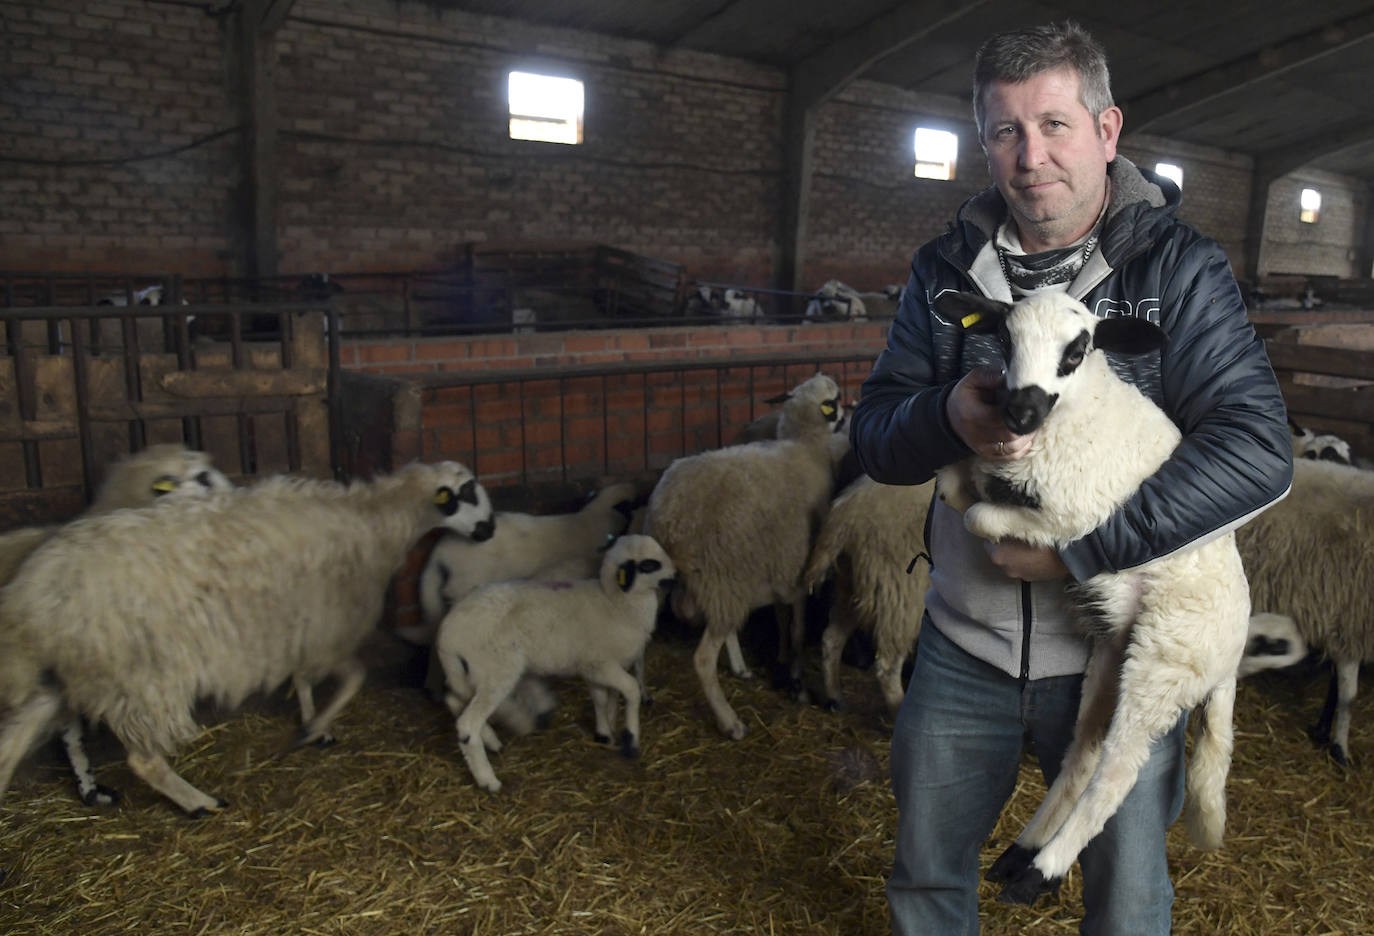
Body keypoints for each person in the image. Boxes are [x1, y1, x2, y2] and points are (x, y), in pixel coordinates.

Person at [848, 19, 1293, 936]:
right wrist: (946, 417)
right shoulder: (944, 274)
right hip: (961, 646)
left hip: (1112, 650)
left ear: (1107, 130)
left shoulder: (1176, 271)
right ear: (984, 143)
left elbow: (1256, 447)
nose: (1030, 154)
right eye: (1005, 130)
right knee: (928, 876)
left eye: (1054, 124)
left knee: (1126, 901)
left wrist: (1086, 554)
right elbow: (876, 438)